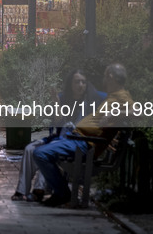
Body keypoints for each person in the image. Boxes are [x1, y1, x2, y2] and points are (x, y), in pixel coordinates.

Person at [33, 63, 133, 206]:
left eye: (105, 76)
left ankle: (62, 193)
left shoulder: (122, 96)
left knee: (40, 153)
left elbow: (138, 112)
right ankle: (60, 192)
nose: (103, 80)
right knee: (41, 150)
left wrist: (114, 113)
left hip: (84, 144)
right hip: (79, 139)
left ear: (111, 77)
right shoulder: (113, 96)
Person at [11, 69, 106, 202]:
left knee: (46, 152)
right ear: (70, 84)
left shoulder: (94, 98)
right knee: (29, 149)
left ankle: (40, 189)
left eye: (83, 82)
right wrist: (56, 103)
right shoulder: (63, 98)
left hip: (76, 141)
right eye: (77, 82)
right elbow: (58, 123)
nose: (80, 85)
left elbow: (114, 100)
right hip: (60, 137)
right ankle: (21, 191)